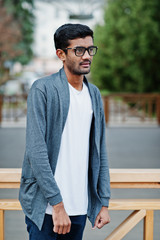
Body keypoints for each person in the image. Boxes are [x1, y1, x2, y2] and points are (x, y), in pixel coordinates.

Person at [19, 23, 111, 240]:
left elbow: (100, 150)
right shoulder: (42, 89)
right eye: (79, 50)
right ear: (61, 54)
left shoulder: (94, 94)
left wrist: (103, 201)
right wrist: (57, 205)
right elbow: (36, 150)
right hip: (47, 208)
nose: (87, 55)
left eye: (90, 49)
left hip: (79, 205)